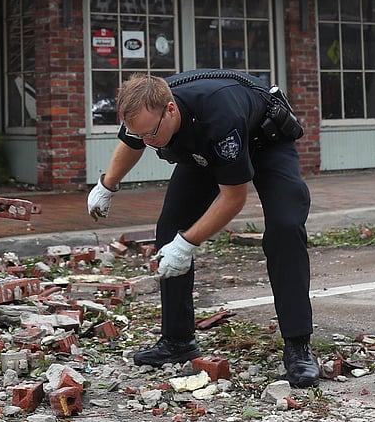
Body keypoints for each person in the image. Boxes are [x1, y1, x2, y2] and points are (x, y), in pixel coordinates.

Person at [87, 69, 320, 387]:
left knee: (284, 228)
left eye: (151, 134)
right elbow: (132, 142)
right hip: (205, 148)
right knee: (169, 227)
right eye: (141, 135)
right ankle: (177, 341)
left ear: (170, 109)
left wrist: (188, 243)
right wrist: (106, 185)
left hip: (264, 141)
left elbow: (233, 198)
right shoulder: (145, 110)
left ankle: (298, 347)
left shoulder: (219, 113)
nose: (148, 142)